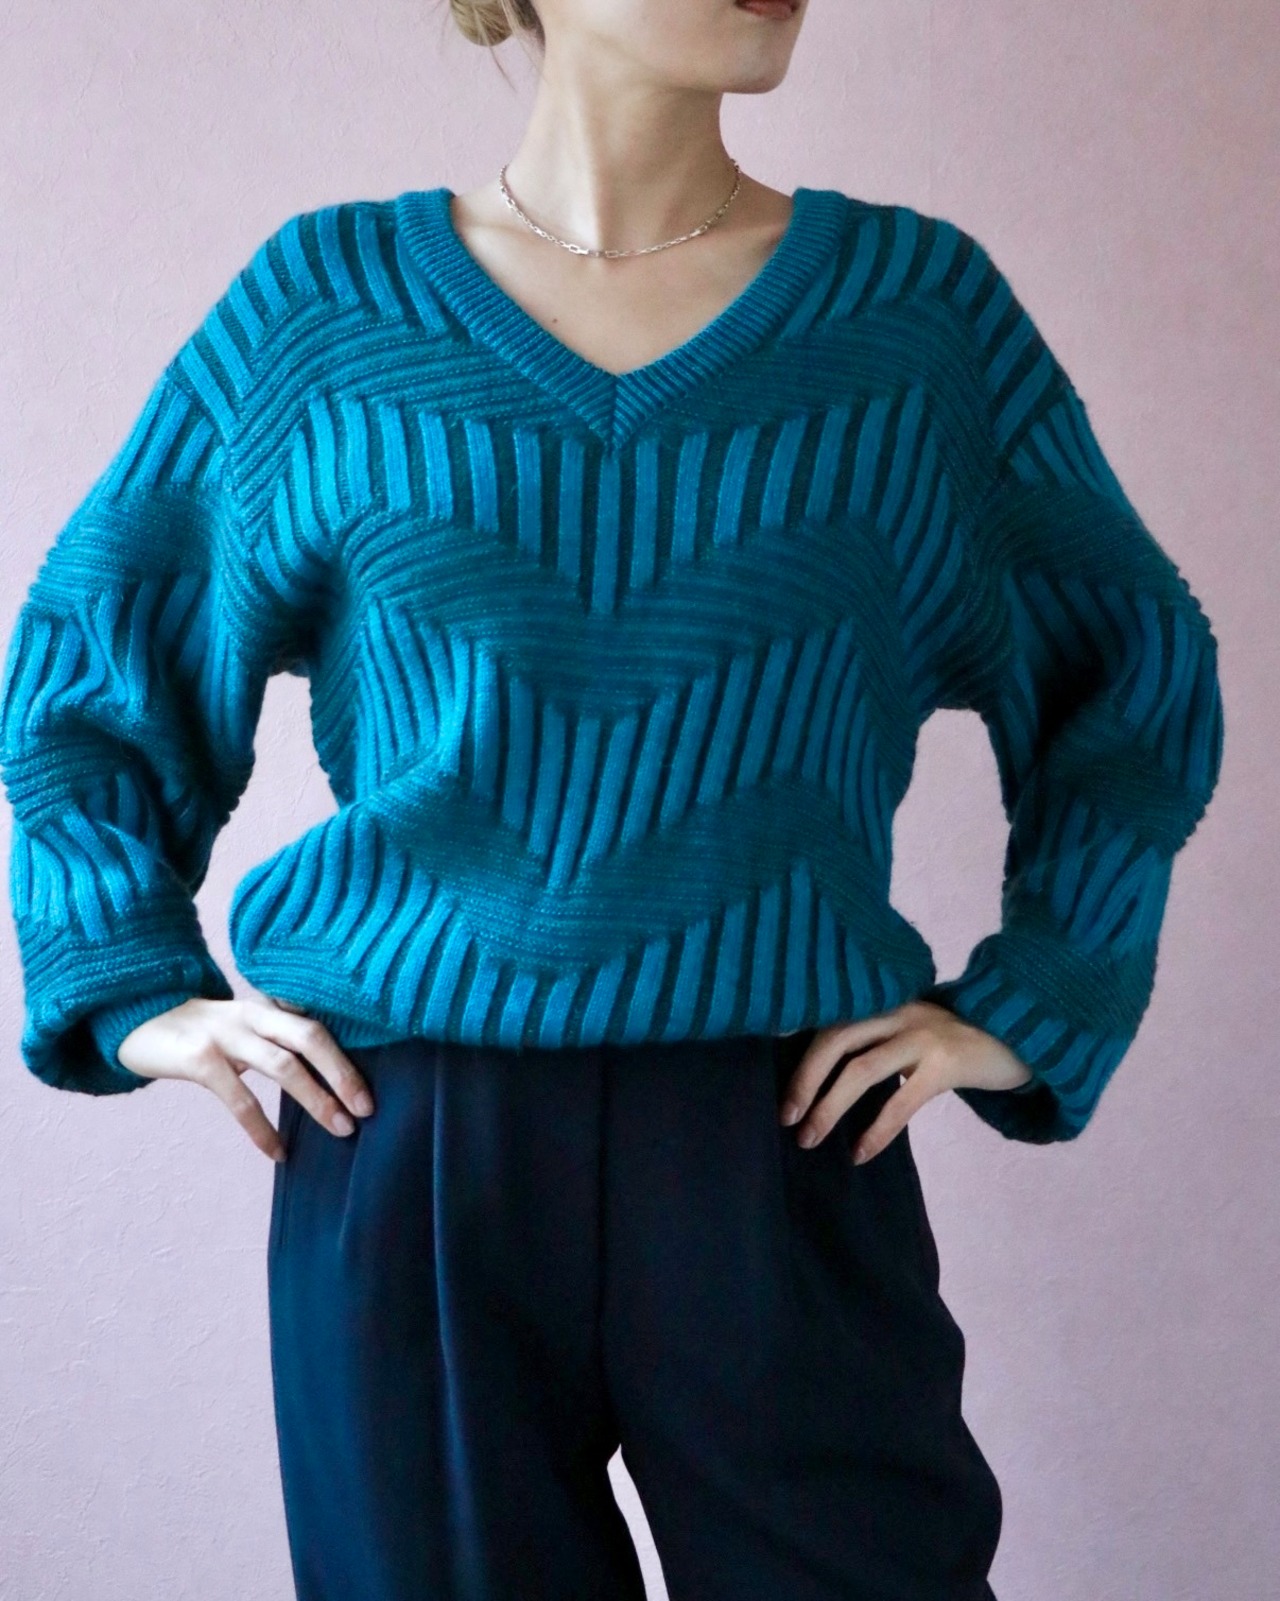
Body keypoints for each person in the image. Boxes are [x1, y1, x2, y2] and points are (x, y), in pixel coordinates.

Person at [0, 0, 1225, 1596]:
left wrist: (1043, 993)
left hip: (781, 1138)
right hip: (410, 1146)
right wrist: (130, 980)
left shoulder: (916, 322)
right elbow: (99, 663)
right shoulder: (327, 308)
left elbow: (1129, 665)